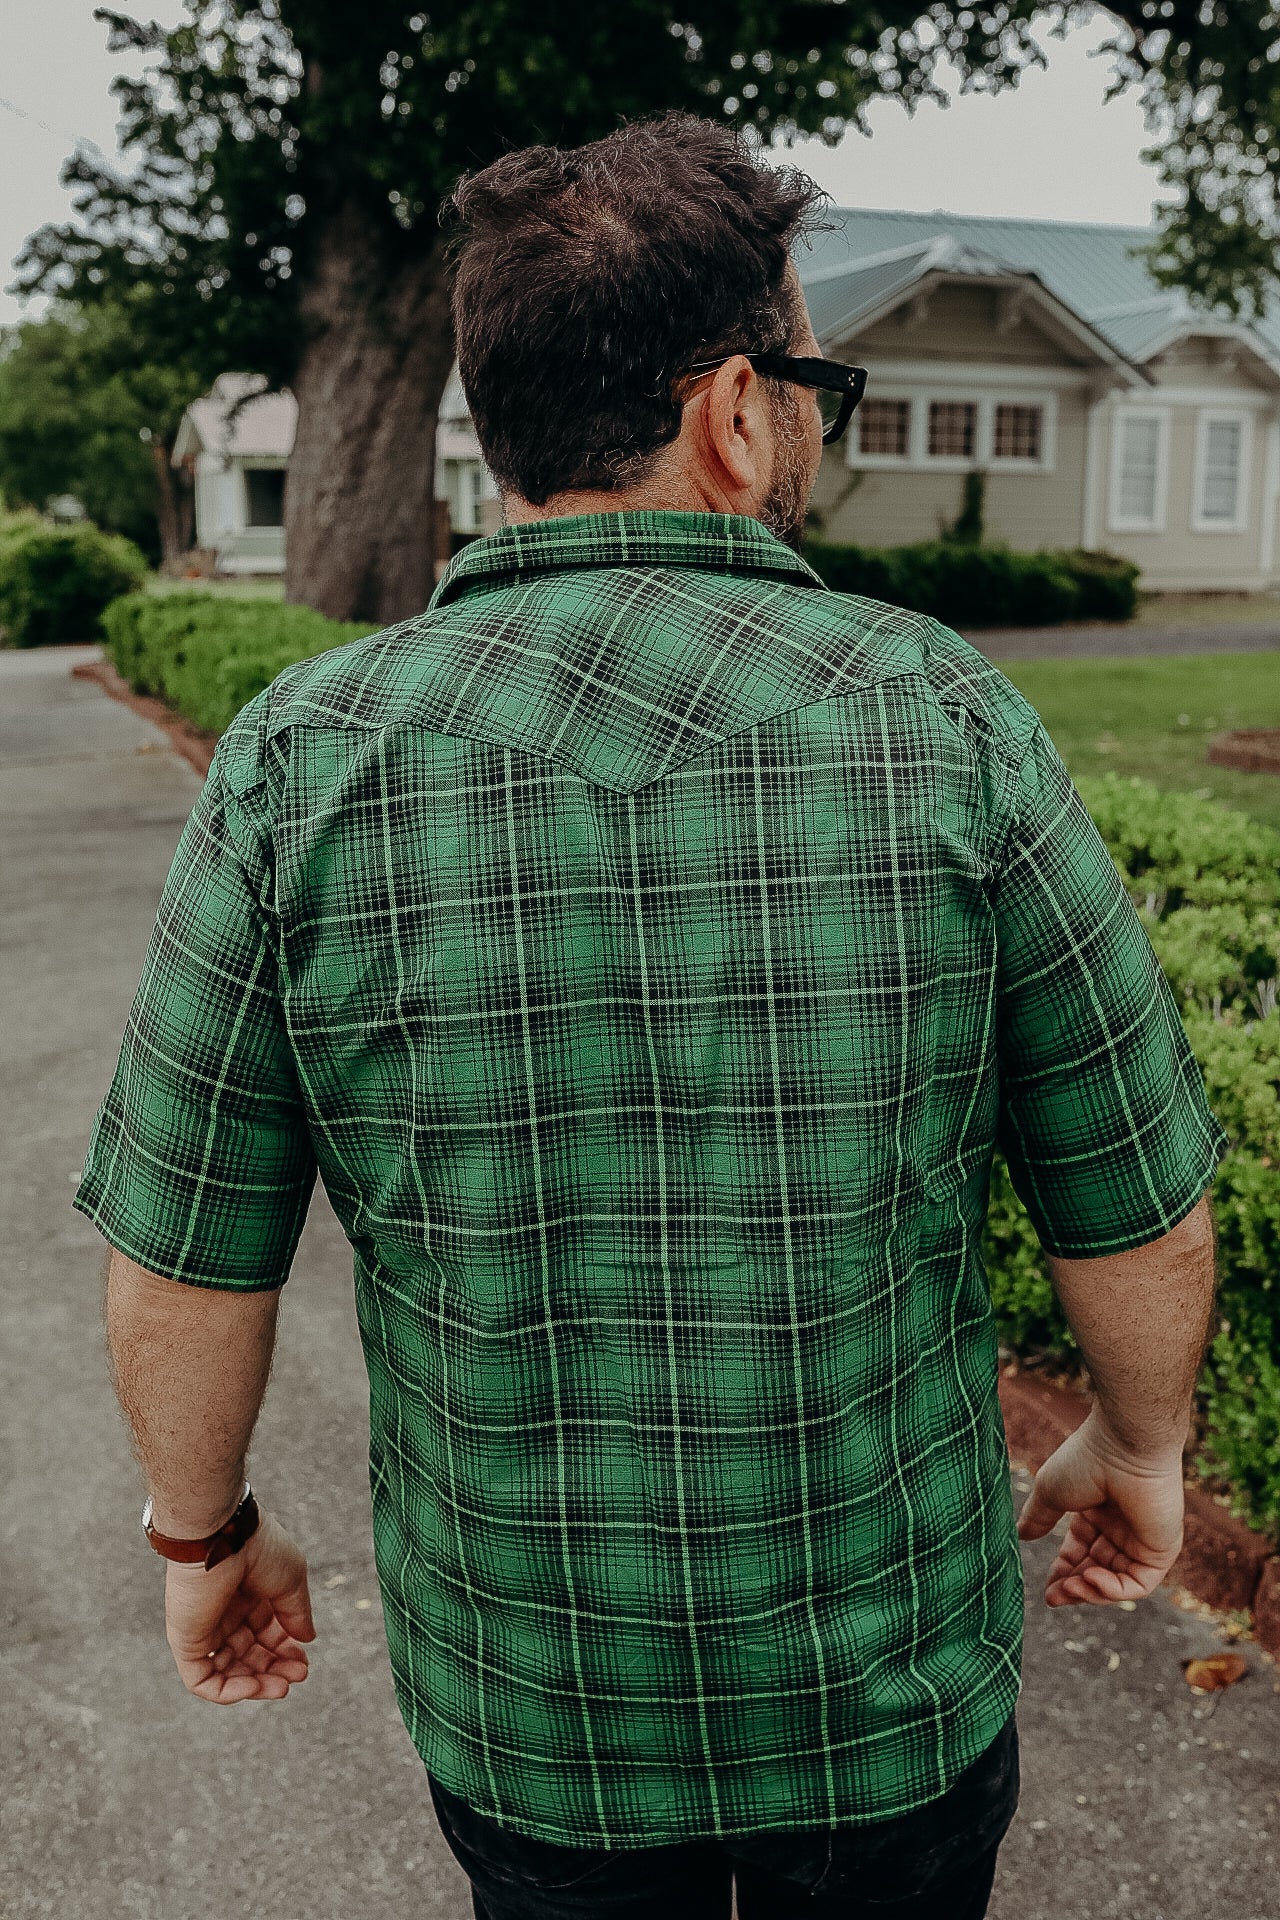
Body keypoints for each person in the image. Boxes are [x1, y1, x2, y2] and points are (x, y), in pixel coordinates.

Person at [76, 113, 1225, 1920]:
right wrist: (1139, 1449)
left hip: (537, 1721)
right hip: (889, 1704)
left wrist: (201, 1536)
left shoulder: (301, 765)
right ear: (733, 409)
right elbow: (1131, 1186)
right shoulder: (944, 721)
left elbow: (183, 1262)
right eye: (816, 388)